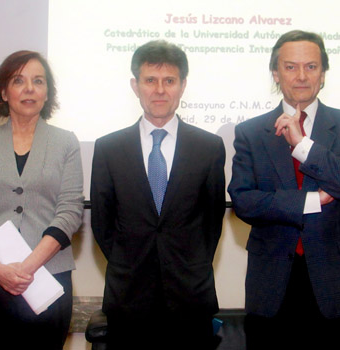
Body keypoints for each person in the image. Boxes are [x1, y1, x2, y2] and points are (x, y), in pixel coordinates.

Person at [228, 29, 340, 348]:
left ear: (323, 74)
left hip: (333, 285)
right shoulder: (251, 132)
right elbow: (244, 201)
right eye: (291, 67)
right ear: (275, 74)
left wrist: (303, 146)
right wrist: (313, 199)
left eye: (311, 66)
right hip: (271, 285)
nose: (302, 76)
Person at [90, 40, 226, 349]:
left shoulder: (209, 148)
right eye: (150, 80)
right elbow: (102, 223)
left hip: (191, 298)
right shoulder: (108, 148)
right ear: (135, 86)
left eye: (169, 81)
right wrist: (132, 262)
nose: (160, 90)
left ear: (183, 85)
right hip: (128, 298)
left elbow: (212, 224)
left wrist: (186, 264)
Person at [0, 50, 84, 349]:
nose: (29, 88)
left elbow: (69, 211)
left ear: (47, 92)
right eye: (19, 80)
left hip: (47, 277)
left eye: (38, 81)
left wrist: (27, 267)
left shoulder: (66, 142)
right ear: (3, 91)